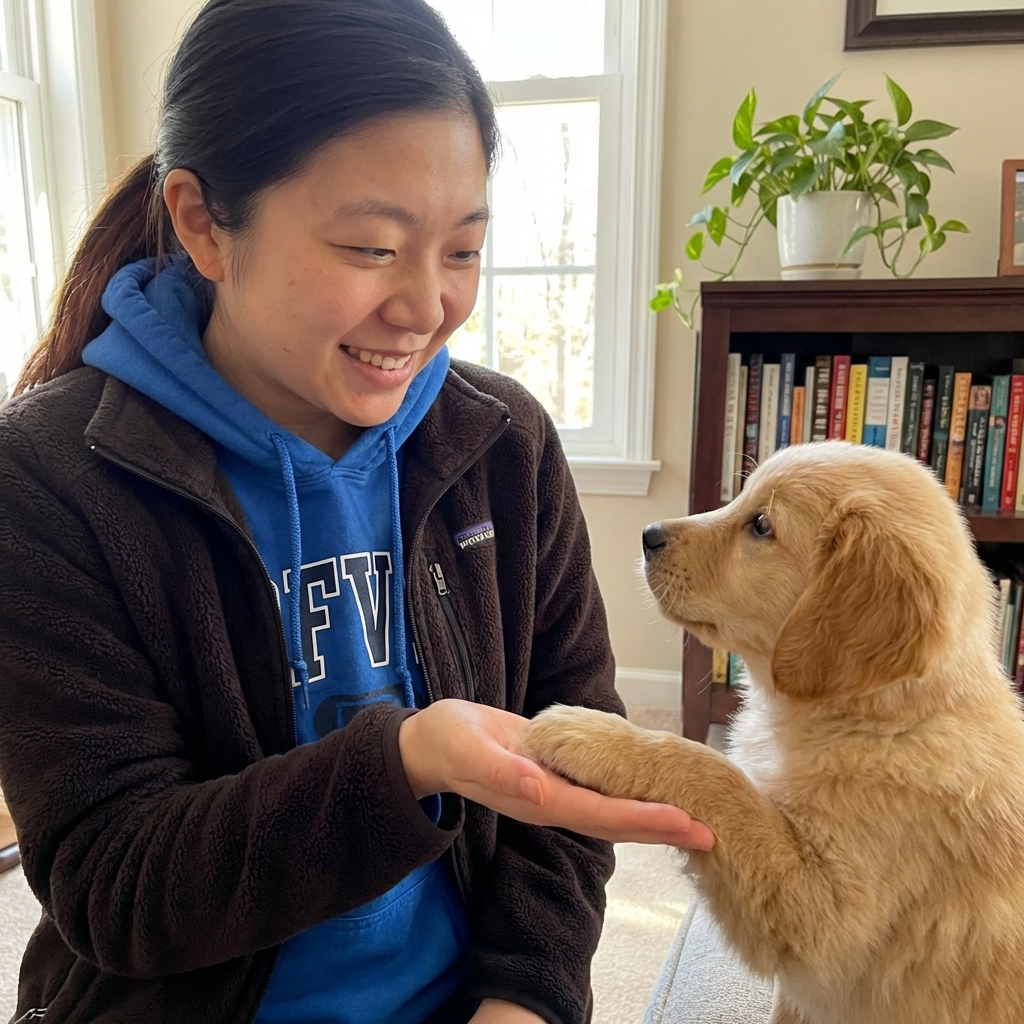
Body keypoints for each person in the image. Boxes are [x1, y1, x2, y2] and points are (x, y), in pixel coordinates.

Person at [0, 2, 713, 1022]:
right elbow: (117, 884)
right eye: (372, 248)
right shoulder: (49, 474)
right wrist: (408, 762)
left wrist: (526, 998)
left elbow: (570, 773)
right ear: (201, 222)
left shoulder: (503, 445)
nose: (425, 308)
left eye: (462, 250)